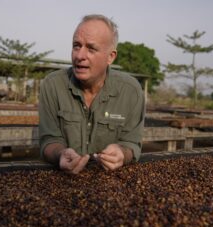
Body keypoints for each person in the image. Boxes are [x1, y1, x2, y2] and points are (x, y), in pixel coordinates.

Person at [39, 14, 145, 174]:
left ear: (110, 57)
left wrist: (122, 153)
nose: (80, 56)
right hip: (61, 181)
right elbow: (49, 140)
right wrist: (60, 154)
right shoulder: (52, 85)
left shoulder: (131, 91)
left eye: (91, 48)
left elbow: (132, 143)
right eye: (76, 46)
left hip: (111, 184)